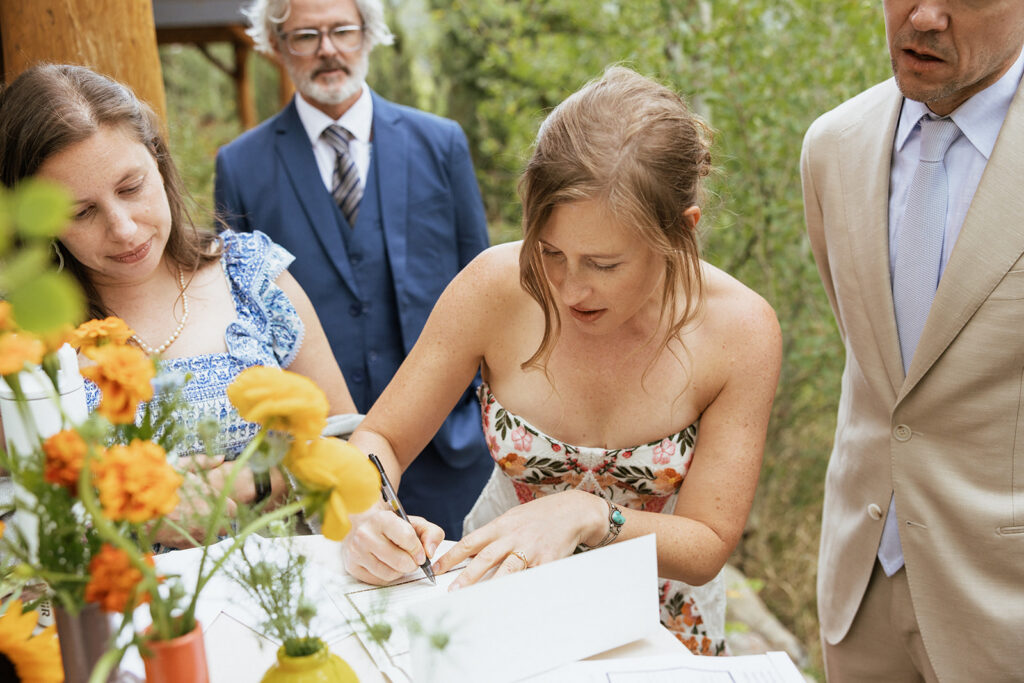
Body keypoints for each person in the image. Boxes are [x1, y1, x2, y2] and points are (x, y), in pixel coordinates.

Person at [341, 66, 781, 655]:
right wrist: (365, 512)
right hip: (499, 600)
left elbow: (706, 545)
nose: (571, 288)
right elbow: (380, 439)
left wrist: (589, 514)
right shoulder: (493, 287)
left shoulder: (740, 329)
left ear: (681, 232)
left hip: (658, 628)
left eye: (604, 264)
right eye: (549, 252)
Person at [0, 63, 357, 546]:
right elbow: (15, 504)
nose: (123, 228)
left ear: (159, 159)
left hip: (280, 580)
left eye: (131, 188)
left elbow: (346, 441)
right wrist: (129, 510)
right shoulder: (18, 335)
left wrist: (247, 485)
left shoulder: (252, 276)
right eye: (81, 212)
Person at [801, 2, 1024, 680]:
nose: (925, 16)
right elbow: (881, 368)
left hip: (1006, 610)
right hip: (859, 592)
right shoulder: (832, 145)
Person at [214, 0, 492, 539]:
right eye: (305, 36)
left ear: (367, 34)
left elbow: (484, 286)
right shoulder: (241, 165)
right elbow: (240, 315)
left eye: (342, 30)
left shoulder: (441, 143)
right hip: (322, 460)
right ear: (277, 46)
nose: (327, 49)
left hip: (447, 446)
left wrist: (477, 416)